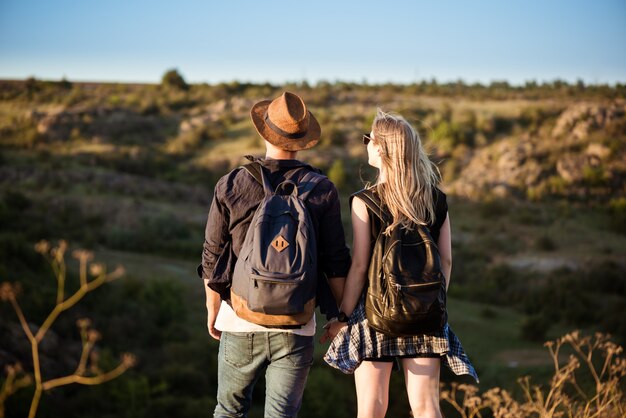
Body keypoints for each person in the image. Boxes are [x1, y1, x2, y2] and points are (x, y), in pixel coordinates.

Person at [198, 91, 351, 418]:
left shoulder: (233, 183)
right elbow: (336, 261)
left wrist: (213, 308)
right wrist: (340, 316)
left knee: (228, 411)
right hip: (296, 323)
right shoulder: (321, 188)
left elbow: (212, 255)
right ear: (302, 140)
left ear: (263, 132)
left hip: (240, 317)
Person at [322, 110, 478, 418]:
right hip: (426, 314)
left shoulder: (365, 201)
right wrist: (431, 300)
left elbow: (359, 267)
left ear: (381, 148)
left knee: (372, 407)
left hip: (375, 313)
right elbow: (445, 259)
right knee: (426, 407)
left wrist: (342, 315)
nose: (366, 144)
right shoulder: (435, 200)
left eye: (369, 139)